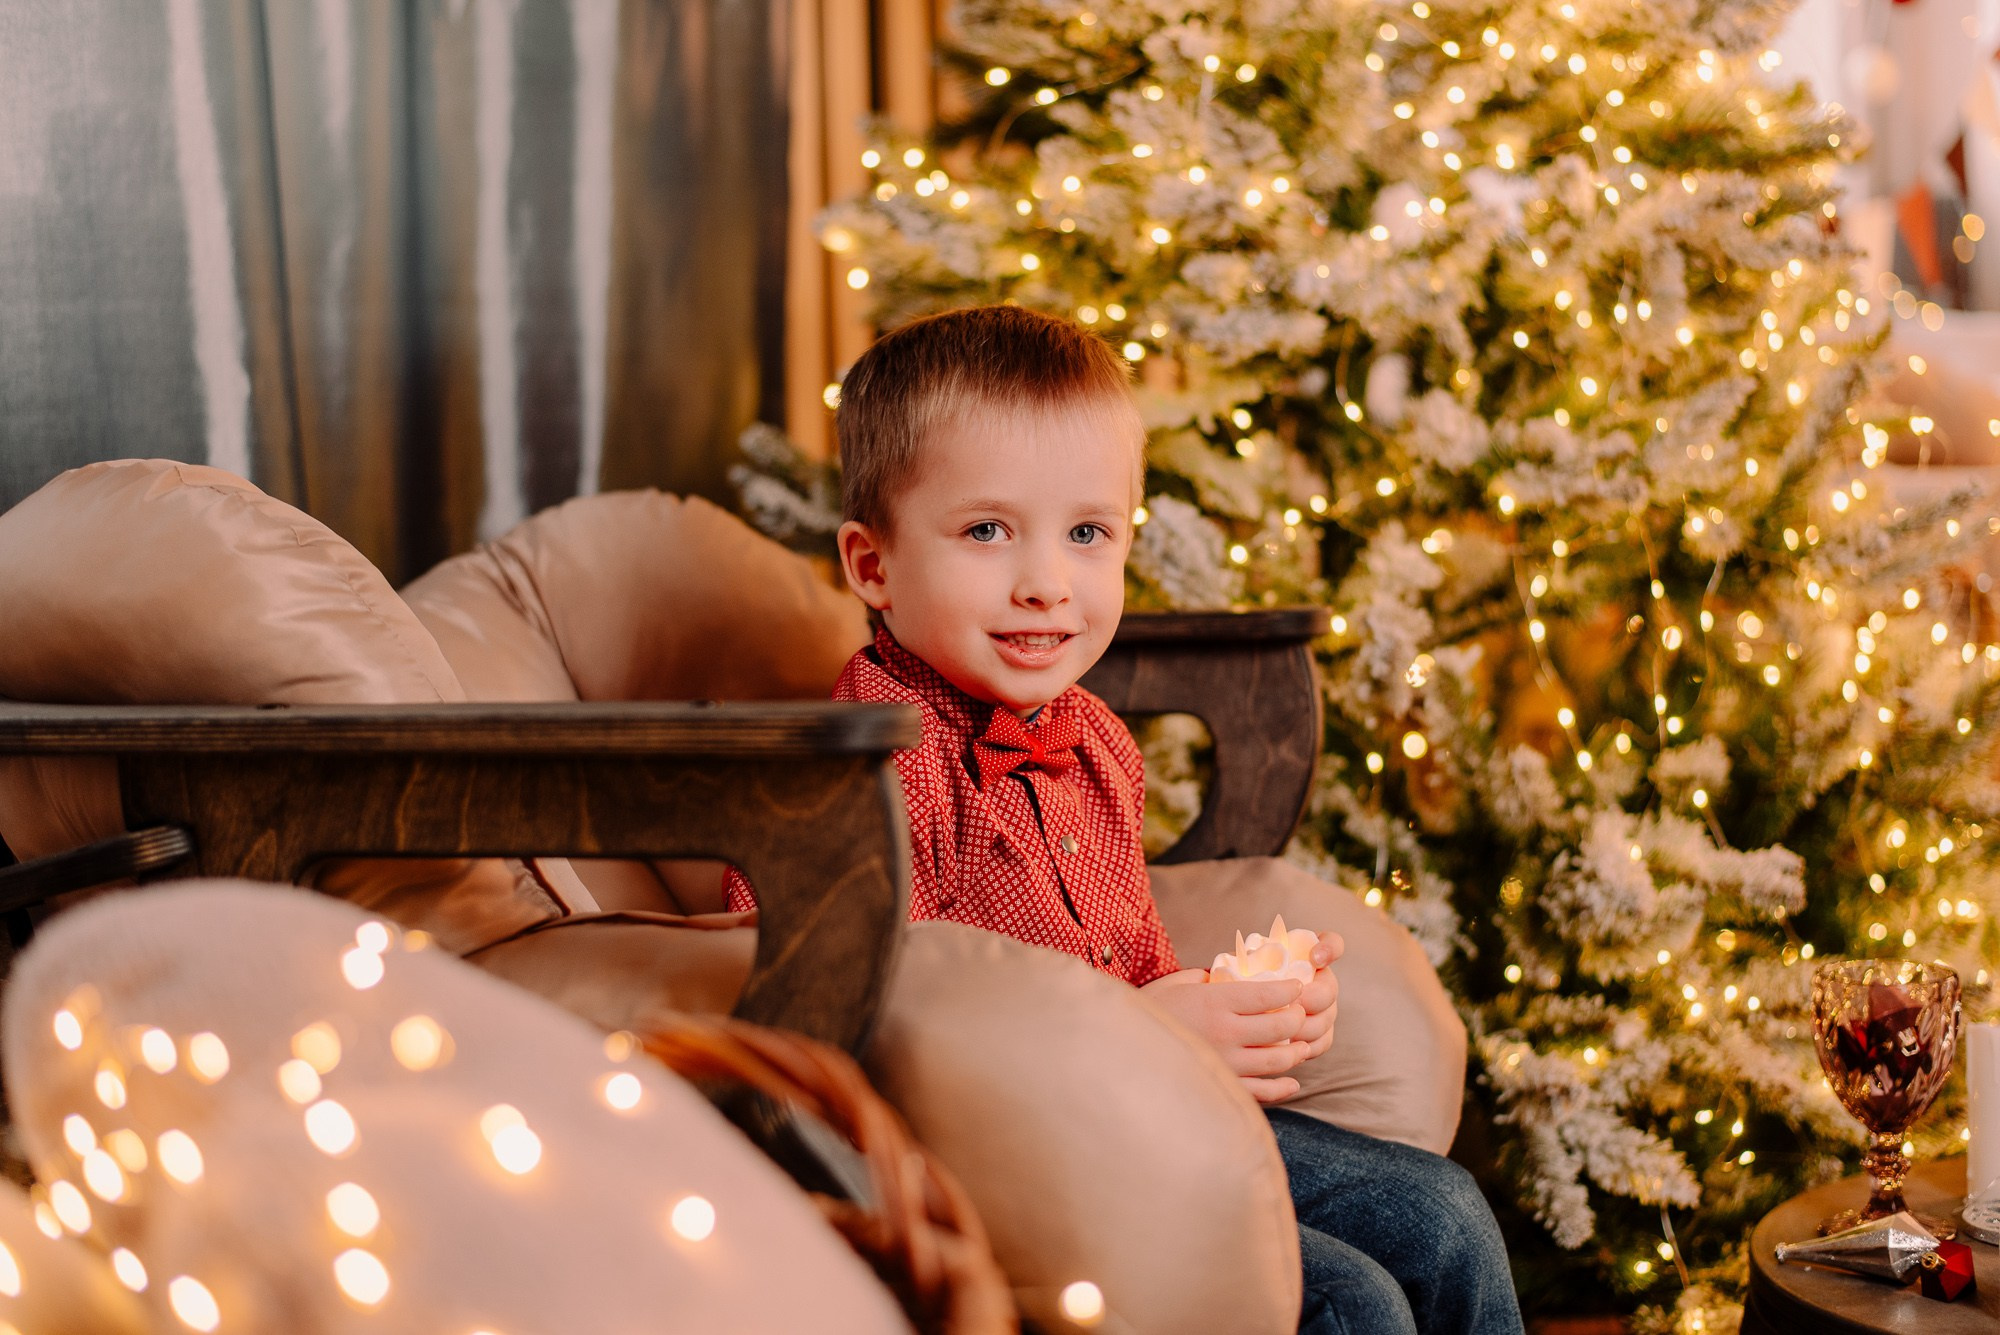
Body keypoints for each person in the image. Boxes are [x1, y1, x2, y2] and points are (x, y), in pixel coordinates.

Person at [726, 304, 1523, 1335]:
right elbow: (831, 1026)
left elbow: (1132, 962)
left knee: (1444, 1212)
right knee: (1345, 1300)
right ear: (871, 565)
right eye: (985, 531)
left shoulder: (1094, 739)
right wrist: (1140, 1030)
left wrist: (1224, 1009)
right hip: (992, 1162)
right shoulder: (864, 775)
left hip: (1137, 1115)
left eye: (1087, 533)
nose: (1046, 584)